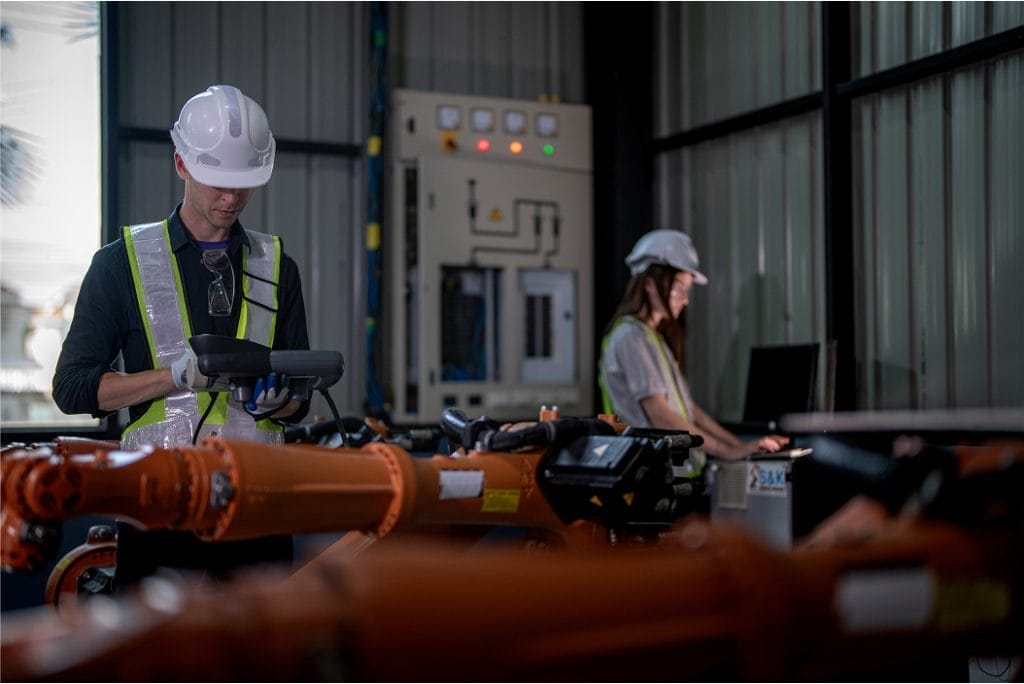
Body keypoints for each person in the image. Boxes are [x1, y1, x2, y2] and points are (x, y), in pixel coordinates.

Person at [52, 84, 310, 588]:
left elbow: (298, 400)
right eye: (216, 181)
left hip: (257, 513)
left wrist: (279, 402)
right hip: (159, 515)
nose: (230, 197)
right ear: (181, 165)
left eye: (243, 183)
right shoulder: (120, 264)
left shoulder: (277, 265)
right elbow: (73, 388)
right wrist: (172, 377)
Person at [599, 229, 790, 461]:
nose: (685, 299)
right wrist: (727, 452)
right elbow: (660, 415)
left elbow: (689, 410)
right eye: (679, 288)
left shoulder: (653, 339)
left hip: (670, 473)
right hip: (646, 473)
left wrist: (742, 446)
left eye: (686, 290)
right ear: (649, 283)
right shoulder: (630, 337)